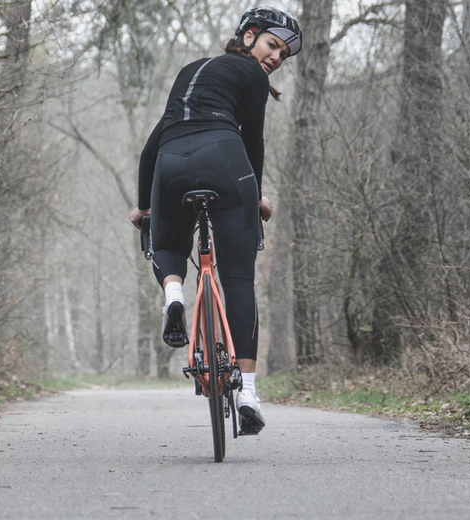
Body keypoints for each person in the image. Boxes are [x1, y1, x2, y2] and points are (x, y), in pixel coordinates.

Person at [128, 7, 301, 434]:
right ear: (248, 37)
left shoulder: (189, 71)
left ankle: (174, 295)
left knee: (166, 243)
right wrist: (255, 194)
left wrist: (144, 207)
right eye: (273, 45)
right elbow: (253, 141)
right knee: (238, 278)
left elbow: (152, 145)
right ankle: (247, 392)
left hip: (169, 163)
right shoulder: (254, 77)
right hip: (225, 159)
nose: (277, 58)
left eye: (283, 54)